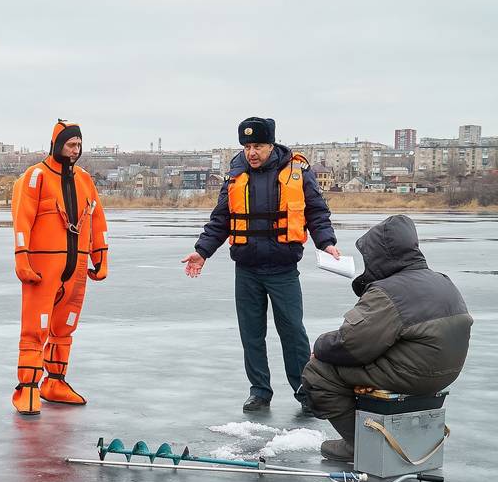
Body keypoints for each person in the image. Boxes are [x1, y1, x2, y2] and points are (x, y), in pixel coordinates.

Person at [182, 117, 339, 414]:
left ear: (271, 145)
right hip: (248, 270)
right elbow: (221, 220)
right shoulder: (235, 176)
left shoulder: (297, 173)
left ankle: (304, 390)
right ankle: (259, 391)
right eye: (247, 146)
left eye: (258, 146)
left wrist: (326, 242)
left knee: (292, 331)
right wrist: (201, 252)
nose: (252, 152)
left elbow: (317, 213)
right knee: (251, 333)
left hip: (282, 269)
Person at [302, 214, 473, 461]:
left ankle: (359, 444)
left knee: (319, 371)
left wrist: (320, 347)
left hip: (414, 373)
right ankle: (389, 435)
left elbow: (351, 344)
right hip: (445, 373)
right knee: (367, 356)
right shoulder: (441, 281)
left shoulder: (389, 292)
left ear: (381, 255)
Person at [10, 119, 109, 415]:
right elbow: (22, 219)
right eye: (70, 144)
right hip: (43, 266)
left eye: (79, 145)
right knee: (34, 329)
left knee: (64, 327)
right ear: (57, 145)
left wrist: (100, 254)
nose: (75, 150)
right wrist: (22, 255)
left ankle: (55, 381)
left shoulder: (84, 179)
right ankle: (27, 388)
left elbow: (97, 217)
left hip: (75, 266)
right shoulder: (35, 176)